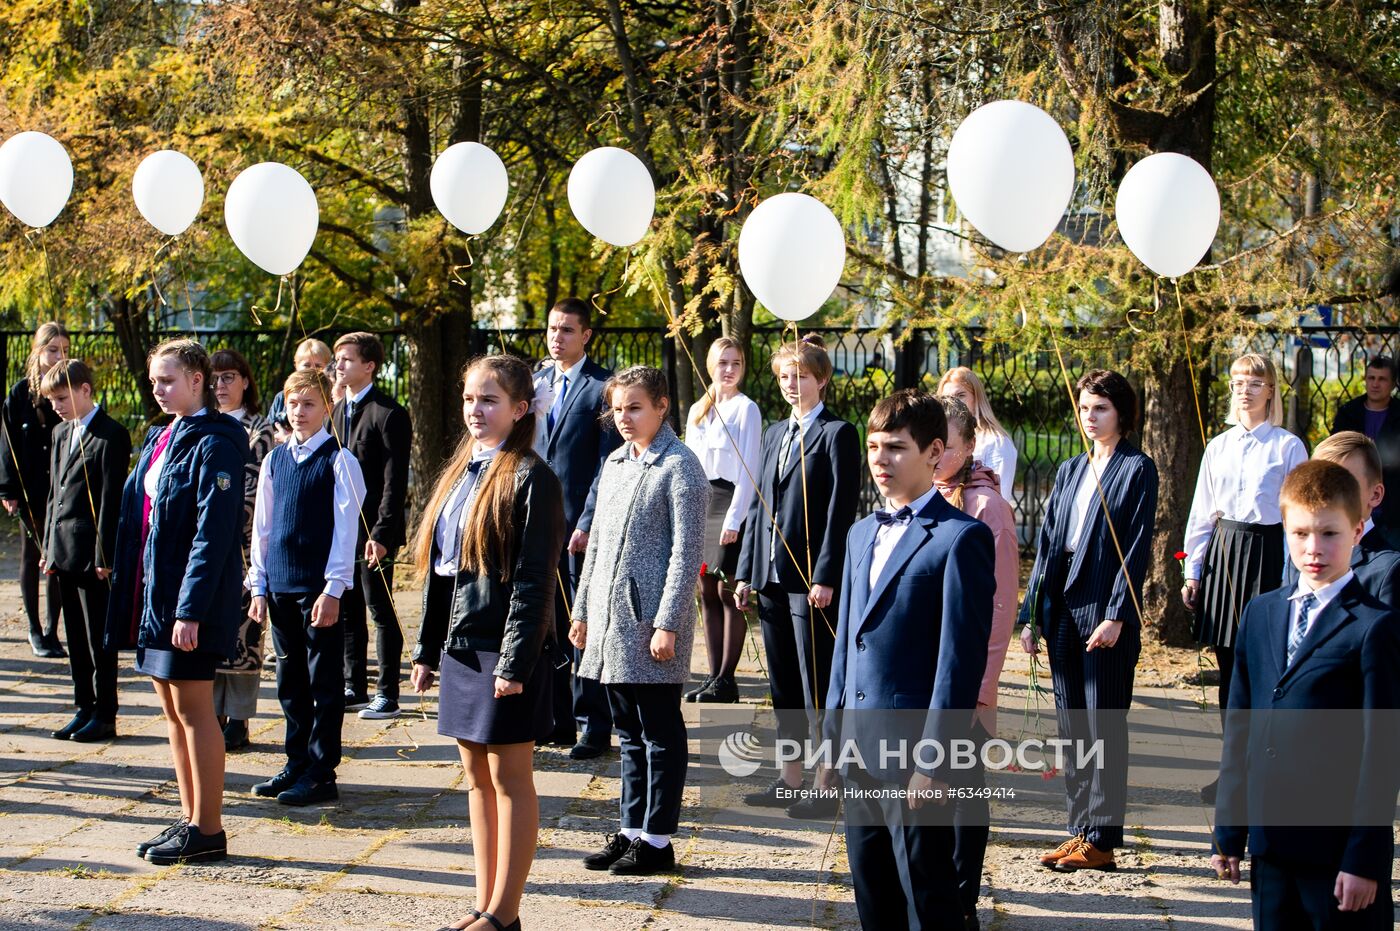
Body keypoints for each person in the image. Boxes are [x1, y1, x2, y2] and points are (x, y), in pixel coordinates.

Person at [819, 389, 995, 931]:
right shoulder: (859, 534)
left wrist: (934, 760)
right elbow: (847, 646)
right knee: (872, 892)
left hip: (916, 749)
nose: (879, 459)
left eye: (895, 448)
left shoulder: (961, 539)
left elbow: (957, 665)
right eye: (873, 447)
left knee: (927, 893)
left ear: (935, 451)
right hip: (859, 748)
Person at [1211, 459, 1400, 930]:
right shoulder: (1261, 613)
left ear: (1357, 531)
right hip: (1272, 848)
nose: (1314, 548)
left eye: (1329, 534)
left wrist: (1365, 859)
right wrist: (1230, 831)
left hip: (1338, 856)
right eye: (1299, 533)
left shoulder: (1375, 626)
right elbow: (1241, 729)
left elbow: (1382, 753)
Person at [410, 355, 564, 931]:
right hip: (461, 648)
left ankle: (506, 913)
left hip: (505, 652)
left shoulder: (532, 477)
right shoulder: (460, 473)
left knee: (510, 778)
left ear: (520, 409)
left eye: (490, 400)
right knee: (474, 777)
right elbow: (439, 575)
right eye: (471, 398)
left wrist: (516, 662)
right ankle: (483, 905)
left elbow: (534, 580)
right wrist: (427, 650)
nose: (477, 409)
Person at [104, 338, 247, 865]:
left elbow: (213, 532)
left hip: (191, 601)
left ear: (197, 381)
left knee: (193, 709)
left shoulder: (218, 442)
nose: (159, 389)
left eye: (169, 380)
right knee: (170, 708)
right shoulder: (162, 436)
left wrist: (190, 607)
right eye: (154, 381)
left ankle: (209, 828)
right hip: (155, 596)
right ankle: (190, 817)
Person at [569, 366, 708, 877]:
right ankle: (629, 829)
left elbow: (685, 551)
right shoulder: (615, 462)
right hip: (610, 621)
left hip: (650, 622)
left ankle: (657, 839)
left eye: (635, 408)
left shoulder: (681, 467)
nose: (624, 418)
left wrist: (668, 620)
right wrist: (582, 609)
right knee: (627, 730)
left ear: (662, 407)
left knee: (659, 731)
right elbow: (599, 542)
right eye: (618, 408)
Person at [1019, 369, 1158, 874]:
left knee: (1103, 724)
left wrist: (1118, 613)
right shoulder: (1070, 470)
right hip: (1061, 608)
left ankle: (1101, 837)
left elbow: (1137, 548)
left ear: (1121, 412)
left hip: (1105, 611)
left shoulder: (1137, 469)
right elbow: (1050, 546)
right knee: (1071, 724)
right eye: (1084, 408)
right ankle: (1079, 829)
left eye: (1100, 408)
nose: (1090, 417)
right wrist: (1031, 614)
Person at [733, 334, 860, 819]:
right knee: (784, 685)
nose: (791, 384)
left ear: (822, 379)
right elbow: (758, 505)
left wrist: (826, 575)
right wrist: (747, 571)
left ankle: (828, 782)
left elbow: (838, 511)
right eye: (785, 375)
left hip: (810, 582)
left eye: (801, 376)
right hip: (769, 576)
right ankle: (789, 779)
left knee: (817, 684)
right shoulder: (771, 434)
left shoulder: (837, 434)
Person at [1181, 353, 1306, 803]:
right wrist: (1192, 570)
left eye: (1255, 382)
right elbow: (1203, 513)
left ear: (1270, 389)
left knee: (1267, 670)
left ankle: (1266, 771)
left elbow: (1298, 512)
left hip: (1269, 554)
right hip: (1226, 555)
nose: (1245, 389)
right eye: (1237, 381)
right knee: (1230, 670)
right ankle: (1232, 772)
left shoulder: (1288, 446)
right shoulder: (1219, 446)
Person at [248, 369, 365, 807]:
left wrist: (334, 589)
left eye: (310, 404)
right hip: (279, 583)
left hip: (318, 590)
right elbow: (262, 526)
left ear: (327, 409)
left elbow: (345, 530)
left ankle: (321, 770)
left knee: (323, 682)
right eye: (293, 404)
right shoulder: (274, 460)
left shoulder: (339, 461)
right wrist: (258, 583)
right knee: (289, 680)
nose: (300, 412)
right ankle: (295, 762)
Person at [935, 396, 1019, 926]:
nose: (938, 450)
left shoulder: (987, 508)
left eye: (948, 441)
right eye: (931, 440)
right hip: (928, 677)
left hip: (968, 682)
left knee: (964, 787)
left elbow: (1000, 606)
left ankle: (962, 899)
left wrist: (981, 687)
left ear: (968, 445)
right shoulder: (926, 497)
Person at [531, 297, 621, 760]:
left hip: (577, 526)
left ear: (586, 335)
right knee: (545, 623)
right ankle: (557, 717)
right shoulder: (538, 381)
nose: (556, 337)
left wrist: (586, 522)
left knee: (581, 624)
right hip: (535, 522)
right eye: (551, 328)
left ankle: (592, 723)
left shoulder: (602, 387)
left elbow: (607, 465)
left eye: (566, 330)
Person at [41, 360, 131, 743]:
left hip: (92, 555)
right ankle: (83, 706)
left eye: (62, 398)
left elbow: (111, 501)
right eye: (52, 400)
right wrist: (47, 547)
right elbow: (54, 494)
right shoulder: (62, 432)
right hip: (63, 550)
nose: (57, 406)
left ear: (84, 390)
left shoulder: (110, 434)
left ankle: (105, 712)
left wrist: (104, 556)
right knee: (75, 636)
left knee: (98, 638)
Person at [332, 332, 413, 720]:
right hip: (341, 528)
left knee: (378, 607)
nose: (339, 366)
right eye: (337, 359)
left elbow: (394, 482)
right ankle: (354, 685)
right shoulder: (334, 412)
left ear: (369, 366)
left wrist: (381, 534)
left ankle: (388, 692)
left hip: (374, 531)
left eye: (347, 359)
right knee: (347, 608)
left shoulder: (388, 413)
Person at [682, 336, 761, 704]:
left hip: (730, 501)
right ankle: (713, 676)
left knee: (728, 592)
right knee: (705, 593)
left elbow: (749, 470)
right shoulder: (700, 409)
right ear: (710, 366)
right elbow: (689, 466)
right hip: (702, 501)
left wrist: (735, 518)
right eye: (723, 363)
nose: (729, 370)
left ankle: (728, 679)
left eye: (736, 363)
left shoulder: (746, 409)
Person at [210, 348, 277, 752]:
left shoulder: (259, 431)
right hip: (207, 548)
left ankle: (238, 718)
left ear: (246, 381)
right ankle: (210, 713)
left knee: (244, 636)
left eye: (229, 377)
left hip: (244, 547)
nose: (221, 386)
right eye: (215, 378)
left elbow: (256, 493)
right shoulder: (204, 425)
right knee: (208, 635)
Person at [0, 321, 69, 658]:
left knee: (56, 558)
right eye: (53, 349)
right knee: (32, 556)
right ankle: (33, 628)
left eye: (65, 351)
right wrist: (7, 489)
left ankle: (53, 628)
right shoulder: (19, 395)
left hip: (61, 489)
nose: (59, 356)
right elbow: (7, 444)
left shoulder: (69, 389)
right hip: (29, 489)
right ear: (38, 351)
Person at [1286, 431, 1400, 603]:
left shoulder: (1389, 569)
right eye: (1320, 482)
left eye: (1344, 483)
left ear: (1375, 495)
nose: (1327, 493)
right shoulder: (1299, 557)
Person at [1330, 354, 1400, 544]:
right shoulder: (1349, 413)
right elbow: (1336, 452)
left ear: (1393, 384)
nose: (1375, 384)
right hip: (1353, 503)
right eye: (1371, 378)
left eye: (1382, 379)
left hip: (1393, 508)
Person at [937, 366, 1017, 502]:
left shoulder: (996, 442)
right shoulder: (936, 438)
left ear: (976, 398)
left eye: (961, 395)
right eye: (947, 397)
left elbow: (999, 499)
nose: (954, 402)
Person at [267, 338, 333, 442]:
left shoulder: (333, 397)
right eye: (306, 365)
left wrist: (288, 438)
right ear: (296, 366)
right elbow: (269, 430)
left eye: (318, 366)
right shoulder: (282, 396)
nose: (312, 369)